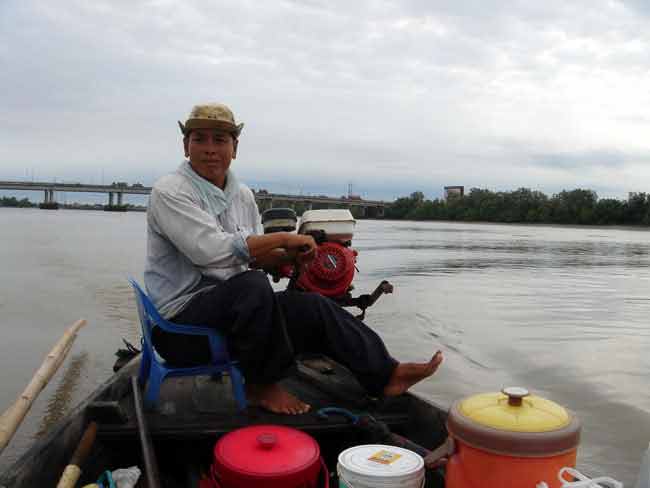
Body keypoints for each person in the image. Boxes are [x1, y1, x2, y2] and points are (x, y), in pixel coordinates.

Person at [144, 103, 443, 415]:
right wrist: (284, 239)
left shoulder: (242, 195)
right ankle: (260, 386)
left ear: (235, 148)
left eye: (220, 140)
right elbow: (211, 251)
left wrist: (288, 256)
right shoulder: (171, 191)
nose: (209, 149)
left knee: (310, 306)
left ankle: (386, 374)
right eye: (199, 139)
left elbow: (251, 258)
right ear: (185, 145)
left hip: (232, 319)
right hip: (180, 331)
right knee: (252, 287)